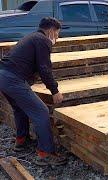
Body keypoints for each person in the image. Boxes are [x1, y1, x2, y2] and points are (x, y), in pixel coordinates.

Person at [0, 17, 67, 166]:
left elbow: (30, 64)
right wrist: (54, 90)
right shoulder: (43, 41)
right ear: (50, 31)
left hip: (3, 77)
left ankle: (21, 141)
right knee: (41, 111)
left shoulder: (32, 37)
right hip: (12, 79)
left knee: (19, 109)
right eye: (57, 34)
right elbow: (44, 69)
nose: (57, 37)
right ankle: (45, 153)